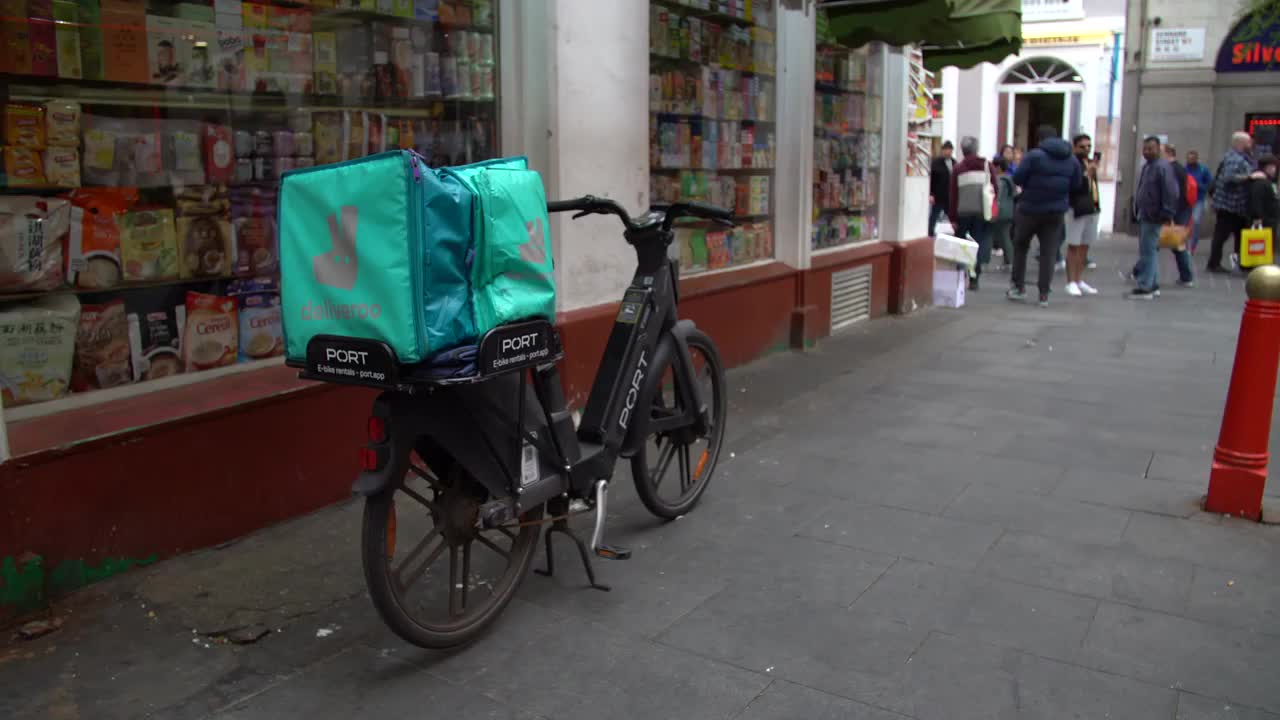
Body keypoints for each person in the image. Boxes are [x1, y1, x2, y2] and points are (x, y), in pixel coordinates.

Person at [1008, 125, 1083, 307]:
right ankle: (1044, 293)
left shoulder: (1034, 156)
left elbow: (1017, 178)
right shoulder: (1071, 159)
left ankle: (1019, 287)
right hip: (1056, 211)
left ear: (1040, 139)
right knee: (1049, 251)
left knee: (1021, 246)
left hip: (1029, 209)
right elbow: (1076, 185)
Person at [1130, 136, 1180, 300]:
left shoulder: (1162, 167)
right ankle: (1153, 283)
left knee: (1148, 251)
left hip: (1154, 216)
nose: (1146, 152)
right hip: (1147, 214)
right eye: (1144, 149)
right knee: (1149, 250)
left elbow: (1171, 192)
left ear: (1159, 149)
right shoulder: (1149, 166)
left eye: (1150, 149)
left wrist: (1166, 213)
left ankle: (1146, 286)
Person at [949, 136, 997, 290]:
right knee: (978, 243)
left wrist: (952, 217)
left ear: (962, 150)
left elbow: (953, 195)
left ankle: (960, 275)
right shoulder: (987, 166)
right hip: (982, 211)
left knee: (962, 245)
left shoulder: (958, 168)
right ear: (976, 149)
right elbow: (995, 188)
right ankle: (974, 276)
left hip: (963, 212)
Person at [1207, 132, 1257, 273]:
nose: (1251, 144)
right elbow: (1229, 177)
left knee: (1239, 235)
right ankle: (1214, 263)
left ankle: (1241, 262)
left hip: (1236, 206)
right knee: (1222, 235)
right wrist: (1249, 177)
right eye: (1248, 142)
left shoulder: (1236, 157)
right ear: (1240, 143)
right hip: (1229, 205)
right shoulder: (1235, 159)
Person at [1064, 134, 1100, 296]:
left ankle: (1079, 279)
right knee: (1074, 246)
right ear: (1074, 147)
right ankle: (1071, 281)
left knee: (1085, 246)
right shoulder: (1072, 163)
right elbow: (1074, 186)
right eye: (1083, 146)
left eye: (1089, 146)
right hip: (1076, 208)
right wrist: (1087, 175)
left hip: (1092, 208)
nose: (1086, 150)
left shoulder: (1088, 163)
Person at [991, 157, 1016, 271]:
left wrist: (994, 210)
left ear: (998, 167)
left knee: (1004, 237)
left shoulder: (1000, 180)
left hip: (1001, 212)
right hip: (1009, 210)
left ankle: (1009, 261)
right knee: (1005, 236)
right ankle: (1008, 261)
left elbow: (997, 196)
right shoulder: (1010, 179)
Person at [1247, 154, 1279, 243]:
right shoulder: (1260, 182)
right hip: (1264, 221)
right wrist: (1257, 217)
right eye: (1273, 167)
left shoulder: (1269, 181)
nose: (1275, 170)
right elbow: (1256, 200)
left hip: (1270, 220)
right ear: (1266, 167)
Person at [1186, 150, 1213, 253]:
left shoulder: (1203, 169)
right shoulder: (1184, 170)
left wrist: (1201, 186)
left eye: (1193, 158)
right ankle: (1185, 244)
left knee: (1196, 221)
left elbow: (1210, 182)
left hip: (1198, 199)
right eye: (1189, 158)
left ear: (1196, 159)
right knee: (1186, 223)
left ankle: (1192, 246)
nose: (1190, 160)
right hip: (1186, 200)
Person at [929, 140, 955, 237]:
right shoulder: (936, 163)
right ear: (942, 150)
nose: (948, 152)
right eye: (946, 150)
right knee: (934, 216)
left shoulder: (954, 162)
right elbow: (932, 179)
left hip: (950, 196)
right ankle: (930, 233)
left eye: (950, 150)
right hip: (938, 195)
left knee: (952, 216)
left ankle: (958, 233)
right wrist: (931, 194)